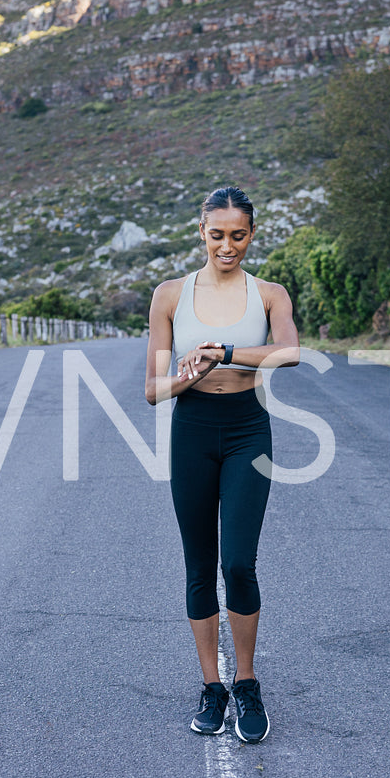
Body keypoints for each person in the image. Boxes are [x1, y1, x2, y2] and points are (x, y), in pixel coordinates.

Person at [144, 186, 299, 743]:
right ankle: (211, 685)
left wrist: (221, 352)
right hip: (192, 431)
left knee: (238, 562)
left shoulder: (269, 294)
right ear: (201, 232)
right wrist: (191, 373)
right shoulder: (170, 295)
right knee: (198, 564)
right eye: (217, 235)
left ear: (251, 235)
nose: (227, 246)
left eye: (238, 235)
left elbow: (289, 352)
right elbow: (153, 391)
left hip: (247, 429)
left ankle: (247, 682)